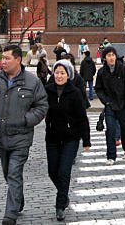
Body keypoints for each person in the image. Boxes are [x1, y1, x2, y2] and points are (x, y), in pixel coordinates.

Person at [0, 43, 49, 225]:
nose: (2, 62)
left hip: (21, 137)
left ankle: (10, 215)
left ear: (18, 59)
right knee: (8, 173)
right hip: (0, 136)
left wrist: (26, 119)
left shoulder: (32, 81)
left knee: (13, 173)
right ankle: (18, 198)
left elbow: (42, 106)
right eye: (2, 58)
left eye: (7, 58)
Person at [44, 59, 90, 222]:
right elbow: (39, 107)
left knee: (64, 172)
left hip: (71, 137)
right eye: (57, 72)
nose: (59, 75)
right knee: (52, 171)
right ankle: (63, 194)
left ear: (68, 75)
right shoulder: (47, 90)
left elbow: (82, 118)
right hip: (52, 137)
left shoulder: (75, 92)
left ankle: (60, 205)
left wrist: (86, 140)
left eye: (62, 72)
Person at [95, 46, 125, 165]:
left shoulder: (123, 69)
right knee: (110, 130)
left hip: (123, 105)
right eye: (108, 55)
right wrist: (105, 101)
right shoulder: (101, 72)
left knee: (124, 129)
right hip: (110, 105)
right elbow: (98, 88)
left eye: (113, 55)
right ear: (105, 58)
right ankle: (111, 156)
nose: (111, 58)